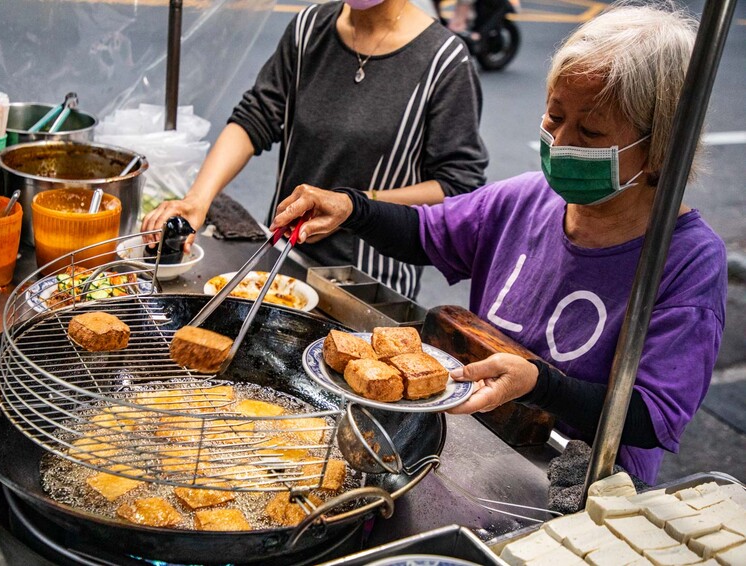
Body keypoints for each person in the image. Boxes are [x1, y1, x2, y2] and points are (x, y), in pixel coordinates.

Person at [269, 3, 726, 484]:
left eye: (590, 132)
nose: (560, 142)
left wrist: (540, 384)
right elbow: (424, 233)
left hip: (581, 480)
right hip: (483, 445)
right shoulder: (526, 198)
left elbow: (653, 415)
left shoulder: (689, 261)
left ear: (660, 146)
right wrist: (353, 208)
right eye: (554, 116)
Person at [142, 0, 488, 300]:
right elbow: (255, 117)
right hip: (284, 260)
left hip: (368, 283)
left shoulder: (444, 61)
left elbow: (457, 187)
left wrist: (354, 206)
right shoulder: (309, 28)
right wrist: (197, 200)